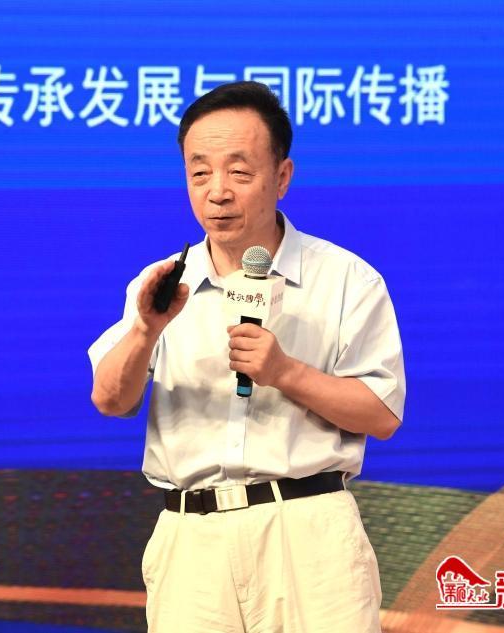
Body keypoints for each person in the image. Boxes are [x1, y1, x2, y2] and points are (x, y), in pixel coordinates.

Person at [88, 81, 405, 632]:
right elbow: (110, 399)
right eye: (199, 173)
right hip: (192, 544)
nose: (217, 192)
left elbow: (381, 415)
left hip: (307, 537)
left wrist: (285, 373)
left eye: (239, 172)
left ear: (282, 177)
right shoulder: (160, 284)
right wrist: (145, 330)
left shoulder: (346, 279)